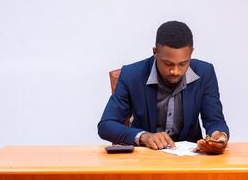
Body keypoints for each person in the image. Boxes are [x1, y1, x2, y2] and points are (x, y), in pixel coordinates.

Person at [98, 21, 229, 154]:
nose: (175, 71)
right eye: (168, 63)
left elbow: (215, 120)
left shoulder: (205, 73)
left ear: (191, 53)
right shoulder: (131, 75)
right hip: (145, 159)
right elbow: (106, 125)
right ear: (155, 52)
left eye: (183, 63)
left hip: (190, 161)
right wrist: (144, 136)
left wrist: (219, 136)